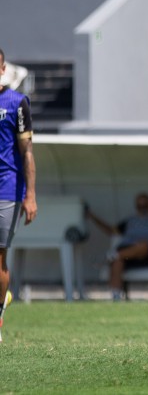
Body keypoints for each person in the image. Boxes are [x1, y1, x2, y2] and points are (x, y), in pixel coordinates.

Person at [0, 48, 37, 342]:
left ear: (2, 70)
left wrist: (31, 195)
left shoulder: (16, 103)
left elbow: (27, 153)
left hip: (7, 189)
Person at [86, 193, 148, 301]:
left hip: (145, 254)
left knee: (143, 245)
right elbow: (111, 230)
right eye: (140, 205)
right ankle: (116, 297)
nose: (143, 208)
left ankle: (108, 257)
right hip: (125, 251)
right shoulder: (129, 220)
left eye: (145, 205)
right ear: (136, 207)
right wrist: (93, 217)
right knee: (118, 262)